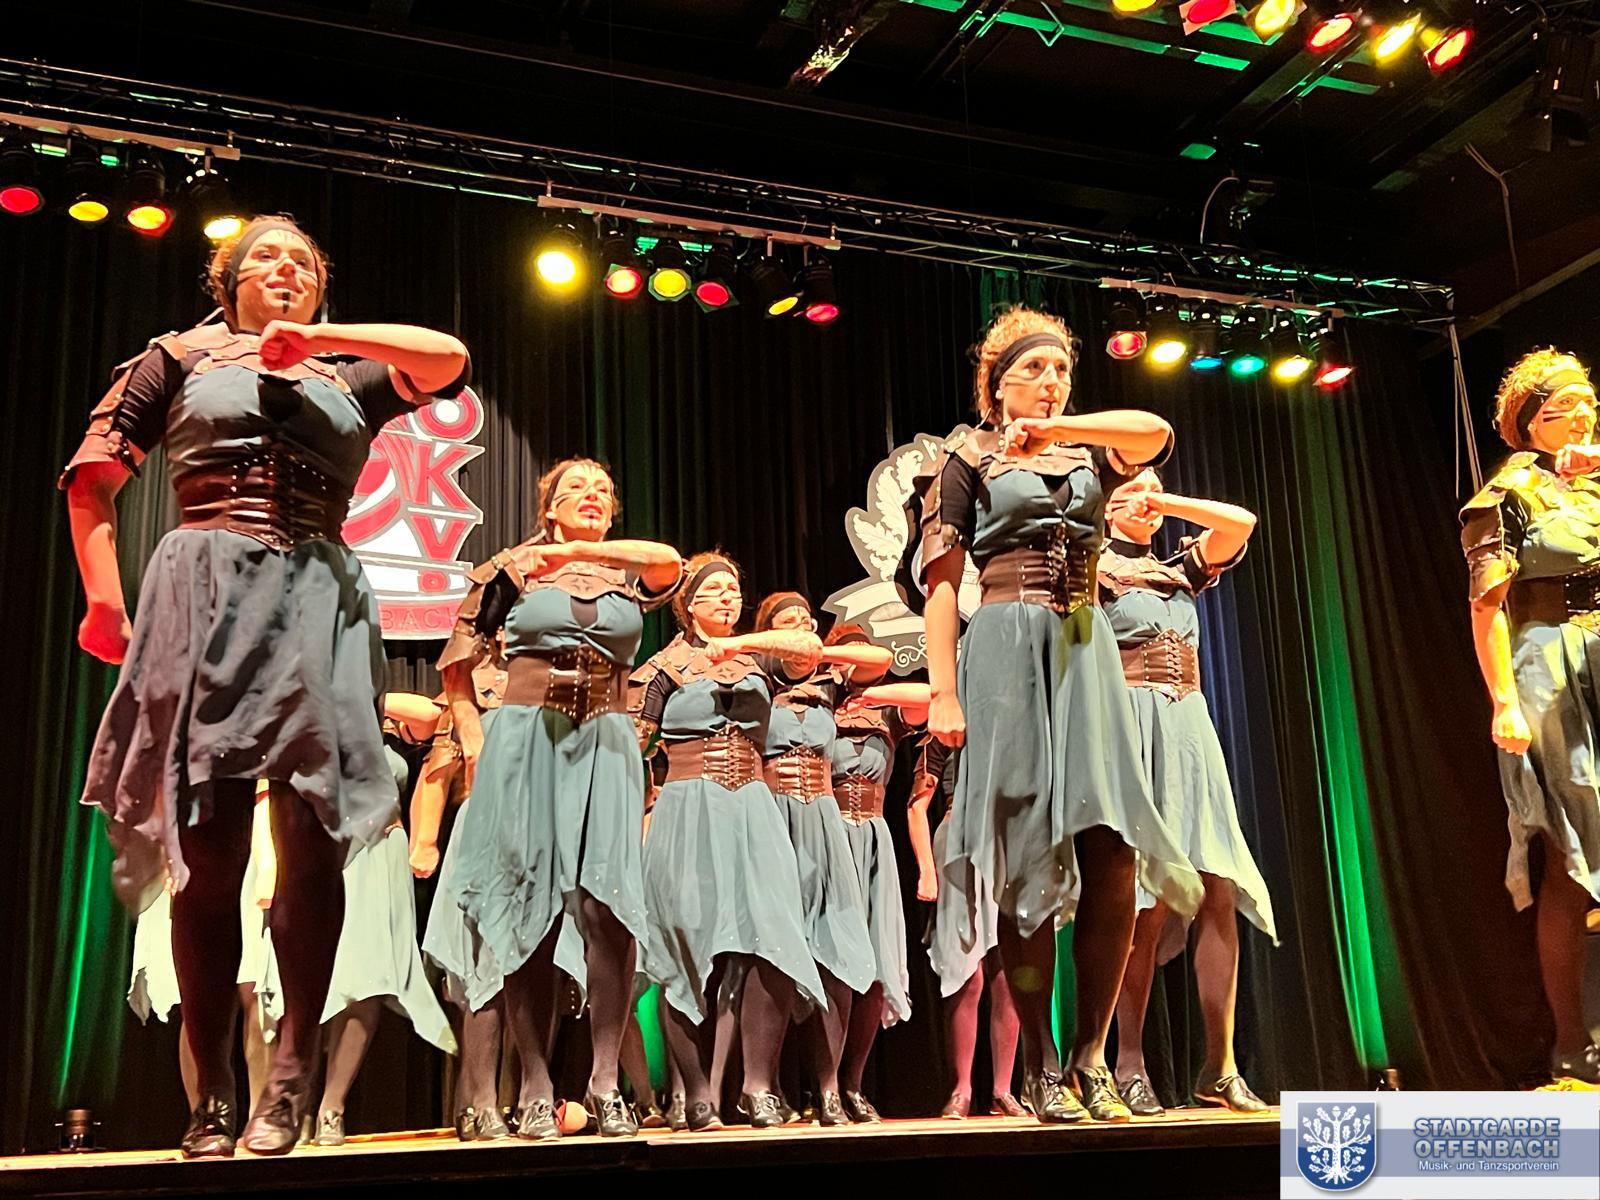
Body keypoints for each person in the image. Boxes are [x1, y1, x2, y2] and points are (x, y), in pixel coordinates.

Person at [63, 214, 470, 1156]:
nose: (284, 268)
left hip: (318, 596)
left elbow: (448, 358)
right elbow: (92, 482)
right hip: (206, 587)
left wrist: (319, 339)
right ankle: (210, 1093)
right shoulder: (176, 357)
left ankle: (289, 1080)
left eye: (302, 262)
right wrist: (105, 603)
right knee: (208, 860)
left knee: (311, 845)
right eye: (264, 258)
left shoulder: (349, 374)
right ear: (229, 280)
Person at [917, 306, 1202, 1122]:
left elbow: (1155, 433)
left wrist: (1058, 427)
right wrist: (943, 690)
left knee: (1113, 847)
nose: (1050, 383)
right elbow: (942, 587)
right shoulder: (965, 457)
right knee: (1029, 857)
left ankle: (1090, 1056)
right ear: (996, 383)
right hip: (1006, 640)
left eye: (1061, 372)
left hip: (1084, 640)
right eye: (1033, 371)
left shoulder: (1087, 452)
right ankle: (1041, 1063)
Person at [439, 458, 682, 1139]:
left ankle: (605, 1083)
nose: (592, 497)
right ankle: (536, 1085)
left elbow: (669, 563)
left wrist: (582, 553)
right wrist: (474, 737)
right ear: (548, 507)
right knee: (529, 909)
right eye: (576, 488)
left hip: (606, 739)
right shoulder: (511, 570)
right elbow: (458, 661)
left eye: (603, 490)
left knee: (610, 910)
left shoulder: (626, 574)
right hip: (527, 736)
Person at [1099, 470, 1277, 1115]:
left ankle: (1219, 1067)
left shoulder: (1180, 569)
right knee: (1144, 902)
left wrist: (1165, 500)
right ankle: (1127, 1063)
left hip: (1190, 728)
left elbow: (1241, 524)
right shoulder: (1094, 572)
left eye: (1155, 492)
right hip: (1132, 727)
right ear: (1105, 508)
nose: (1146, 502)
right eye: (1131, 494)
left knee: (1216, 890)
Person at [630, 553, 827, 1131]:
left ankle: (758, 1087)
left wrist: (740, 643)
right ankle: (695, 1094)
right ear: (687, 605)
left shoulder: (758, 660)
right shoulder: (662, 670)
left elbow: (810, 649)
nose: (727, 597)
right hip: (686, 810)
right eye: (713, 589)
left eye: (734, 590)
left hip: (753, 808)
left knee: (773, 938)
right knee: (685, 944)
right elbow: (630, 746)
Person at [1460, 347, 1600, 1086]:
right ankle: (1574, 1044)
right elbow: (1487, 608)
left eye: (1587, 403)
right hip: (1551, 664)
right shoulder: (1506, 496)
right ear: (1529, 423)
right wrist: (1504, 702)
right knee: (1572, 854)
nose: (1579, 416)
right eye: (1560, 408)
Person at [752, 594, 884, 1125]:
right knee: (774, 953)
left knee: (839, 950)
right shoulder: (756, 681)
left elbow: (880, 660)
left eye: (807, 622)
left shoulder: (828, 687)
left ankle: (830, 1090)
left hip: (824, 822)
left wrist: (820, 651)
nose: (802, 630)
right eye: (789, 624)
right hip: (773, 817)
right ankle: (766, 1086)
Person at [908, 738, 1024, 1118]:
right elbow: (916, 806)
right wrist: (926, 869)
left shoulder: (1010, 726)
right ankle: (962, 1088)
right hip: (957, 845)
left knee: (1006, 973)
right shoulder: (945, 733)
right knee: (966, 975)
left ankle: (1003, 1089)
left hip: (1006, 840)